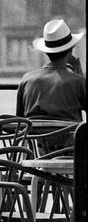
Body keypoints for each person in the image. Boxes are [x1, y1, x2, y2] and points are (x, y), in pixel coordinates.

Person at [16, 18, 86, 151]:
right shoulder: (78, 82)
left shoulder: (27, 80)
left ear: (46, 51)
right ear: (71, 50)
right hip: (72, 154)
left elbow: (20, 121)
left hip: (39, 153)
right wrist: (80, 75)